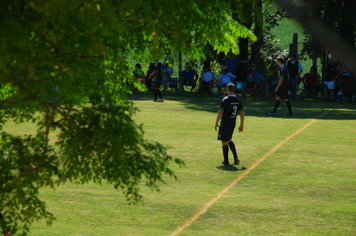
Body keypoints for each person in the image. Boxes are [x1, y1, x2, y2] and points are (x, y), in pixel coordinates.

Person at [215, 83, 245, 165]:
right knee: (229, 140)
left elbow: (220, 112)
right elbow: (242, 112)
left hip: (225, 123)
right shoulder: (238, 100)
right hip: (232, 123)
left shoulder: (225, 99)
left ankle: (226, 161)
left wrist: (216, 122)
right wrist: (242, 124)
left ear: (227, 90)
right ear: (234, 90)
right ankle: (236, 158)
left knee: (224, 141)